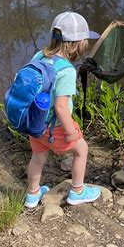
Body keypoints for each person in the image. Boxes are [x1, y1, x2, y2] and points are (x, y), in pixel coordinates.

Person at [25, 12, 101, 209]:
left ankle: (32, 195)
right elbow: (60, 107)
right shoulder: (66, 70)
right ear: (76, 44)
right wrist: (69, 131)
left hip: (35, 121)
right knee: (81, 149)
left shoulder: (39, 56)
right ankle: (77, 191)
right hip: (55, 126)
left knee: (38, 157)